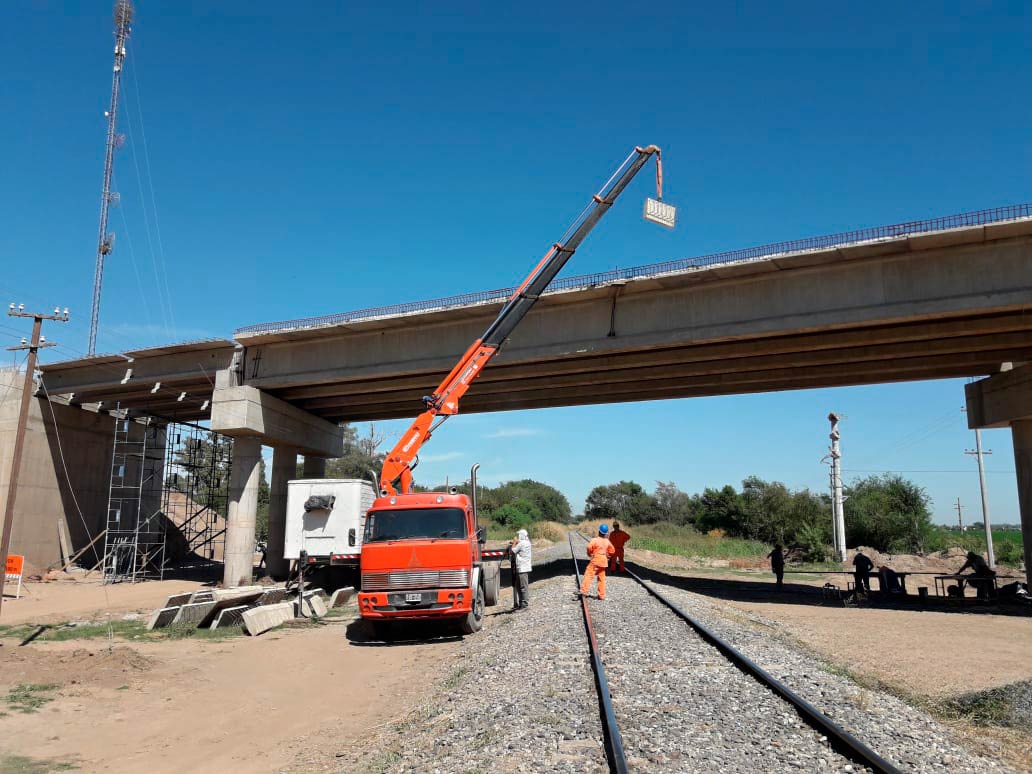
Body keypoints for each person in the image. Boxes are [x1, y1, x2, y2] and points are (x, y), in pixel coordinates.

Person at [579, 524, 615, 600]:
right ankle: (602, 595)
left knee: (588, 575)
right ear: (606, 533)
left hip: (595, 561)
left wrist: (590, 553)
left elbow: (589, 547)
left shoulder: (594, 540)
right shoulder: (607, 541)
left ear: (599, 531)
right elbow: (612, 550)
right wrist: (607, 556)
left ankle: (583, 591)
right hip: (603, 562)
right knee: (601, 579)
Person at [510, 528, 532, 610]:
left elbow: (512, 551)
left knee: (522, 587)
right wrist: (515, 543)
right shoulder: (527, 542)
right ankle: (521, 603)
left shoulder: (521, 543)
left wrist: (514, 542)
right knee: (519, 586)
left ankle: (524, 604)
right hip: (523, 568)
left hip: (522, 568)